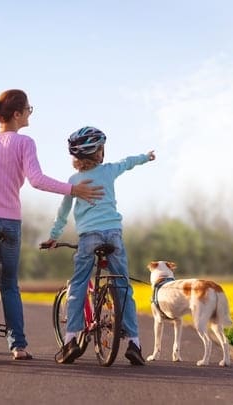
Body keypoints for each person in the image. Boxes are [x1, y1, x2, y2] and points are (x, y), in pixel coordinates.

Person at [0, 90, 104, 360]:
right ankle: (18, 346)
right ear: (18, 114)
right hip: (9, 221)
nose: (30, 113)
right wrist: (72, 190)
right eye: (29, 109)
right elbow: (36, 180)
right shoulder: (25, 143)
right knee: (9, 284)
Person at [41, 126, 155, 365]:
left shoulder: (73, 182)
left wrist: (53, 236)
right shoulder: (109, 170)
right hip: (114, 235)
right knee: (123, 286)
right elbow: (128, 162)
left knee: (79, 284)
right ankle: (134, 343)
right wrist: (146, 157)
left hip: (88, 237)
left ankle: (71, 339)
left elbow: (63, 213)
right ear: (99, 152)